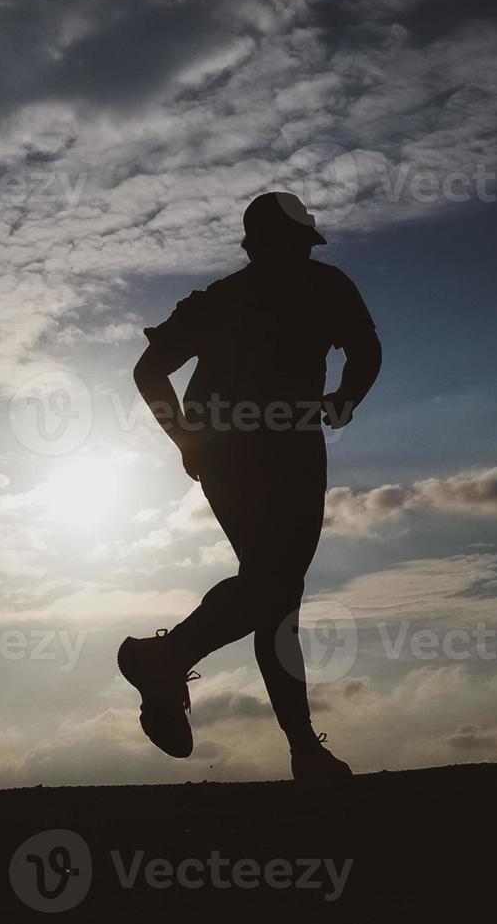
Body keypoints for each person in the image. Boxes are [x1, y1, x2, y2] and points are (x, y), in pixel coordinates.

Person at [118, 192, 382, 783]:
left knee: (275, 592)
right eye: (287, 242)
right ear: (276, 243)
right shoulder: (307, 286)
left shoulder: (233, 297)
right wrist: (186, 439)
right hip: (265, 452)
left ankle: (302, 750)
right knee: (277, 585)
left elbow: (365, 352)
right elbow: (365, 351)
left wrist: (187, 439)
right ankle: (170, 657)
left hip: (236, 452)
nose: (290, 252)